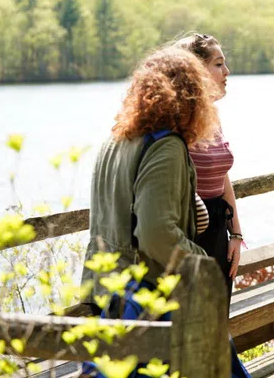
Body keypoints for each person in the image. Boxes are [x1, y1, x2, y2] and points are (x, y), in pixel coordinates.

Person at [80, 46, 218, 377]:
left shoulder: (114, 141)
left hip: (106, 294)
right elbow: (156, 233)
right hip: (148, 300)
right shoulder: (165, 146)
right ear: (191, 96)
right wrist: (203, 267)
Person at [176, 32, 251, 378]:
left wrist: (236, 233)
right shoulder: (176, 122)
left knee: (217, 327)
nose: (227, 71)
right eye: (218, 64)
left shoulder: (213, 117)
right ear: (195, 71)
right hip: (190, 239)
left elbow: (222, 178)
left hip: (219, 233)